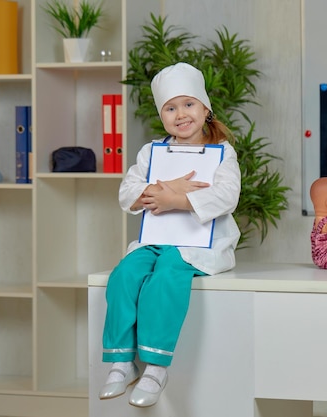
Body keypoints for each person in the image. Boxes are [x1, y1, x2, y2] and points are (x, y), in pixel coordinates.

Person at [98, 62, 241, 408]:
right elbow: (127, 193)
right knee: (125, 274)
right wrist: (166, 186)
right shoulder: (152, 153)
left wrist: (174, 198)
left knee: (167, 277)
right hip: (156, 239)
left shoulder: (222, 153)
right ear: (162, 116)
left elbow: (227, 196)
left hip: (198, 245)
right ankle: (121, 360)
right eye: (170, 108)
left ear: (205, 109)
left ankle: (156, 367)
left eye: (188, 104)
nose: (180, 114)